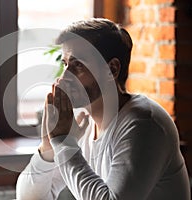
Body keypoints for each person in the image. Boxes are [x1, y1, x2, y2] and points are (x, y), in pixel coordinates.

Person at [16, 18, 190, 200]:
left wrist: (63, 143)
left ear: (112, 69)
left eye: (78, 66)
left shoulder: (144, 124)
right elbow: (30, 197)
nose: (64, 77)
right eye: (65, 64)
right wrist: (47, 147)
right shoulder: (84, 124)